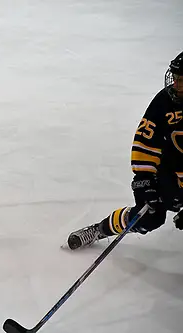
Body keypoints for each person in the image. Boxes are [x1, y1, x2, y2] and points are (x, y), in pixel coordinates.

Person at [67, 51, 183, 250]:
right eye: (176, 79)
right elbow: (145, 142)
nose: (175, 85)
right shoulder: (165, 102)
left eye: (181, 81)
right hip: (169, 171)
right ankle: (99, 229)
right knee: (149, 217)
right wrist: (144, 180)